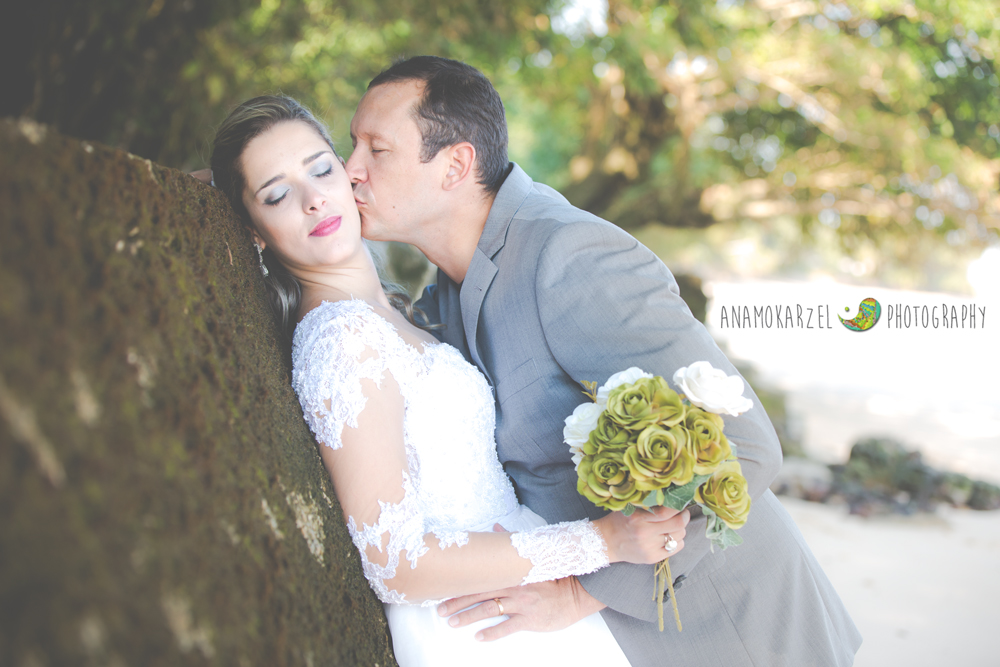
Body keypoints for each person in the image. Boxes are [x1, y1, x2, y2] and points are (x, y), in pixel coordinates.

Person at [343, 56, 862, 666]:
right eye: (351, 146)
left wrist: (580, 592)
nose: (350, 169)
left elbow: (747, 446)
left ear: (455, 164)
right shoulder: (452, 282)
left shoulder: (569, 257)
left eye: (376, 149)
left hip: (728, 624)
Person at [207, 94, 691, 666]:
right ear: (254, 230)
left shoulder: (390, 315)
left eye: (320, 168)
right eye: (278, 194)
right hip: (473, 626)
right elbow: (396, 562)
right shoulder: (342, 339)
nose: (314, 200)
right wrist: (603, 543)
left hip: (520, 598)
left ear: (347, 175)